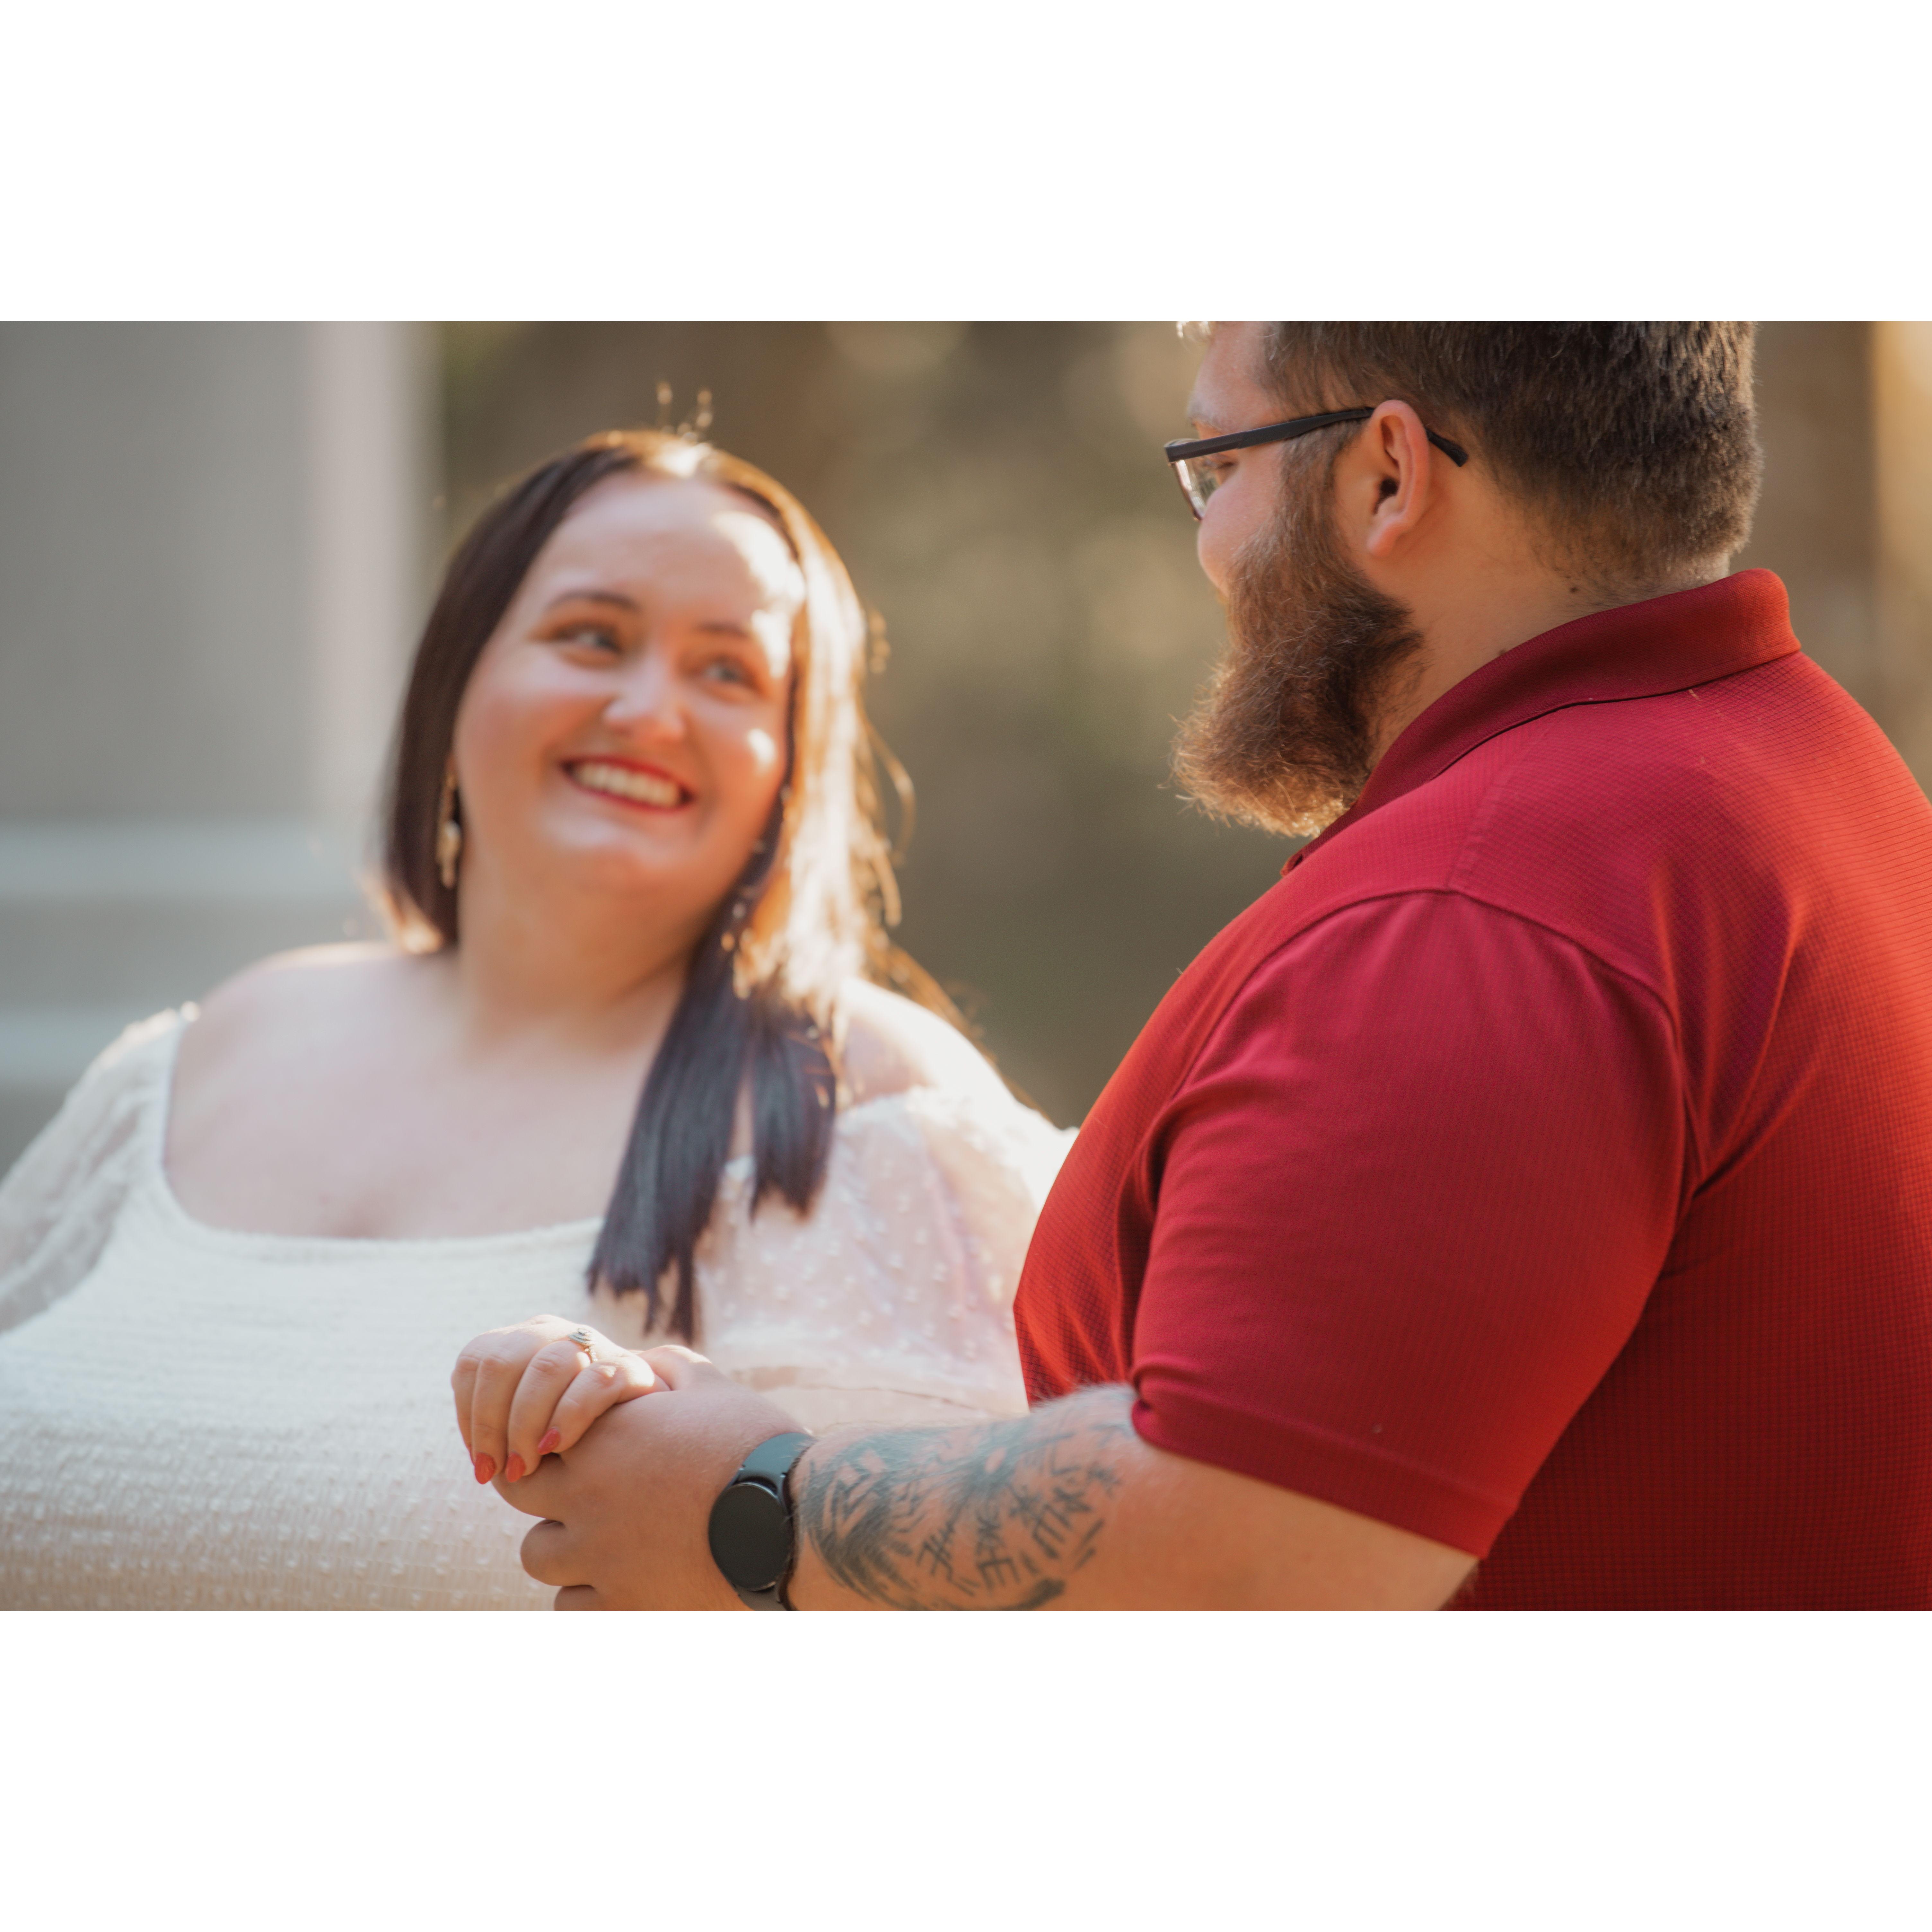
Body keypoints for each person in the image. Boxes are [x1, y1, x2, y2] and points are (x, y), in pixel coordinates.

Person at [469, 322, 1932, 1611]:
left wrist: (752, 1507)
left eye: (1219, 465)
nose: (1209, 545)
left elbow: (1247, 1556)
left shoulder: (1481, 903)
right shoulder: (1820, 784)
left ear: (1387, 476)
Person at [0, 427, 1069, 1611]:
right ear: (457, 678)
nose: (650, 710)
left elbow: (1032, 1587)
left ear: (789, 762)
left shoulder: (870, 1102)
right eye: (591, 637)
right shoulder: (223, 1039)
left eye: (728, 671)